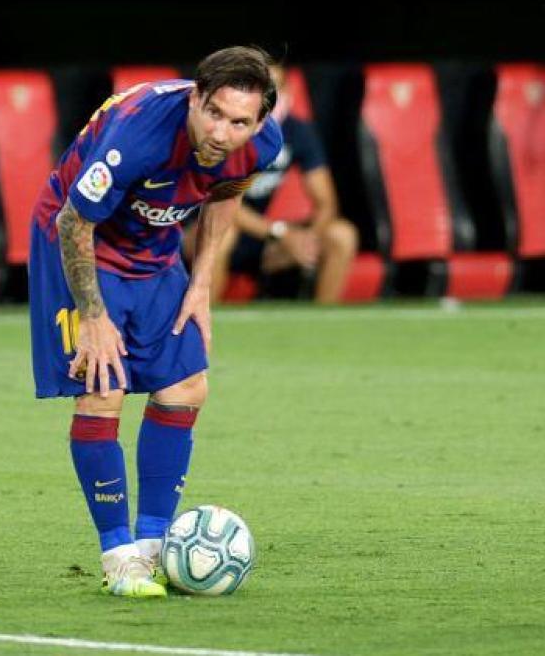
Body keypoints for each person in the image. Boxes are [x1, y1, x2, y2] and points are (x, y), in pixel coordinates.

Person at [28, 46, 282, 598]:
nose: (222, 133)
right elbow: (73, 221)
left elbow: (226, 192)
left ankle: (153, 546)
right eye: (214, 114)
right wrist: (93, 316)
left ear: (260, 122)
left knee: (187, 386)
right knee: (103, 385)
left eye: (240, 122)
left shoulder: (261, 144)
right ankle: (119, 557)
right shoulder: (139, 134)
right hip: (79, 242)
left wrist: (202, 284)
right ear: (195, 98)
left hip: (153, 249)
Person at [210, 63, 358, 304]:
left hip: (264, 236)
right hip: (205, 227)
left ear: (288, 91)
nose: (269, 97)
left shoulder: (296, 131)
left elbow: (326, 201)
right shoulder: (224, 130)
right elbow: (222, 204)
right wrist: (280, 233)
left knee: (342, 235)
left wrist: (306, 240)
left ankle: (324, 321)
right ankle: (202, 318)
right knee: (222, 234)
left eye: (275, 88)